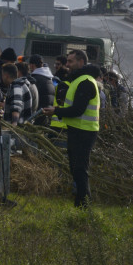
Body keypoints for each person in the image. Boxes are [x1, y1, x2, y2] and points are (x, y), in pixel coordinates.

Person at [42, 49, 100, 207]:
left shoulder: (85, 82)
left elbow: (78, 109)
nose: (67, 64)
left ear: (81, 62)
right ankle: (81, 203)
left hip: (85, 131)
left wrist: (56, 111)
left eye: (70, 61)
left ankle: (84, 205)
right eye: (67, 61)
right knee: (75, 168)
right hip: (76, 130)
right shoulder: (77, 80)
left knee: (80, 169)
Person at [28, 54, 56, 123]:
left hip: (37, 115)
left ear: (31, 65)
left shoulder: (34, 79)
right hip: (48, 114)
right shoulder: (49, 78)